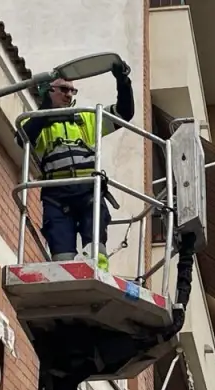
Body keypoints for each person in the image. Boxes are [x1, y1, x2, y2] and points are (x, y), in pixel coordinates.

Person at [19, 59, 135, 271]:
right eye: (63, 89)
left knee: (95, 245)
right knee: (62, 253)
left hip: (88, 190)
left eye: (72, 91)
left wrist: (123, 81)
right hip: (56, 195)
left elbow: (124, 113)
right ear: (48, 91)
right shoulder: (36, 123)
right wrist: (46, 108)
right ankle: (66, 279)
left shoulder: (87, 118)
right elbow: (22, 139)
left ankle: (98, 274)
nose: (69, 95)